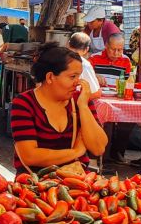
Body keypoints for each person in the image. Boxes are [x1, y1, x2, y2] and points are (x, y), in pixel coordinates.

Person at [10, 43, 107, 174]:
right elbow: (30, 156)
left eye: (79, 76)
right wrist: (76, 152)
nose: (78, 82)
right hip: (34, 186)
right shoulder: (24, 103)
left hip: (77, 185)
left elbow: (99, 148)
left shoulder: (80, 100)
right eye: (72, 77)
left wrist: (83, 107)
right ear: (50, 77)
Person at [67, 32, 101, 100]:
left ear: (68, 44)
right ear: (86, 49)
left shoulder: (58, 58)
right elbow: (95, 93)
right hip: (71, 103)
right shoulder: (84, 65)